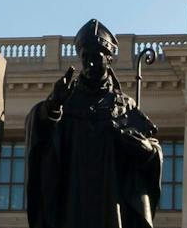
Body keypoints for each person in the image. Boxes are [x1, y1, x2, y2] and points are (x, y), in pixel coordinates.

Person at [25, 21, 163, 228]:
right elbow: (40, 134)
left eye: (95, 57)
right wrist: (53, 104)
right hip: (73, 200)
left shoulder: (124, 105)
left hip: (111, 200)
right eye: (85, 57)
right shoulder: (66, 100)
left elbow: (152, 148)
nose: (89, 63)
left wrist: (148, 151)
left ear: (108, 59)